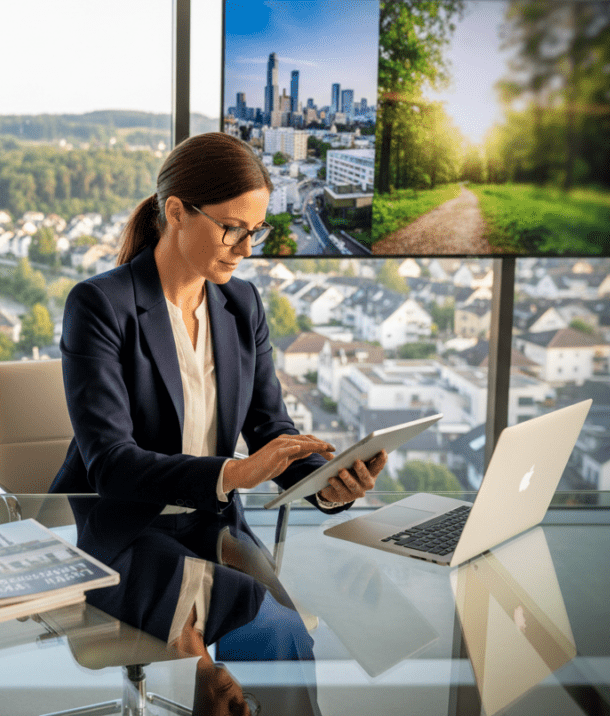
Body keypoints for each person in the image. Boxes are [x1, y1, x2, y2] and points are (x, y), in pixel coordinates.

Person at [49, 131, 387, 657]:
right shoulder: (100, 305)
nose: (248, 248)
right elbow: (110, 464)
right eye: (232, 229)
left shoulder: (242, 305)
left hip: (215, 528)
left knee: (282, 635)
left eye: (255, 230)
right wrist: (233, 474)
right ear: (178, 212)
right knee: (276, 632)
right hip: (128, 536)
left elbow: (271, 430)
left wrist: (324, 486)